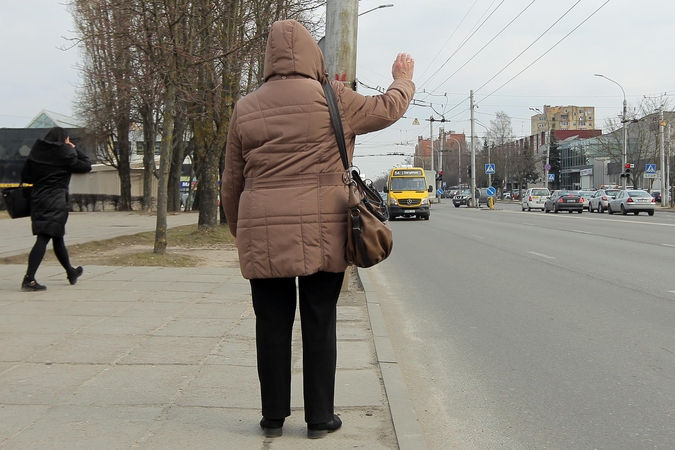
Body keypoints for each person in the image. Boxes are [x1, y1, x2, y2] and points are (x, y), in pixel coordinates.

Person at [221, 19, 415, 439]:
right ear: (314, 55)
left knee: (270, 323)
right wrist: (403, 80)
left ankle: (273, 418)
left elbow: (231, 181)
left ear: (269, 58)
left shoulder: (246, 107)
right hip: (325, 231)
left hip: (263, 232)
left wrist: (242, 233)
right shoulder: (336, 99)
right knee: (320, 320)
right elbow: (387, 109)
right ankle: (319, 419)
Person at [20, 126, 92, 291]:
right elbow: (86, 165)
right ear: (65, 140)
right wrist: (75, 148)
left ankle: (71, 272)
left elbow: (25, 176)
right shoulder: (66, 153)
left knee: (57, 237)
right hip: (56, 200)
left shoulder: (36, 152)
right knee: (44, 237)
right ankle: (29, 279)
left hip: (38, 198)